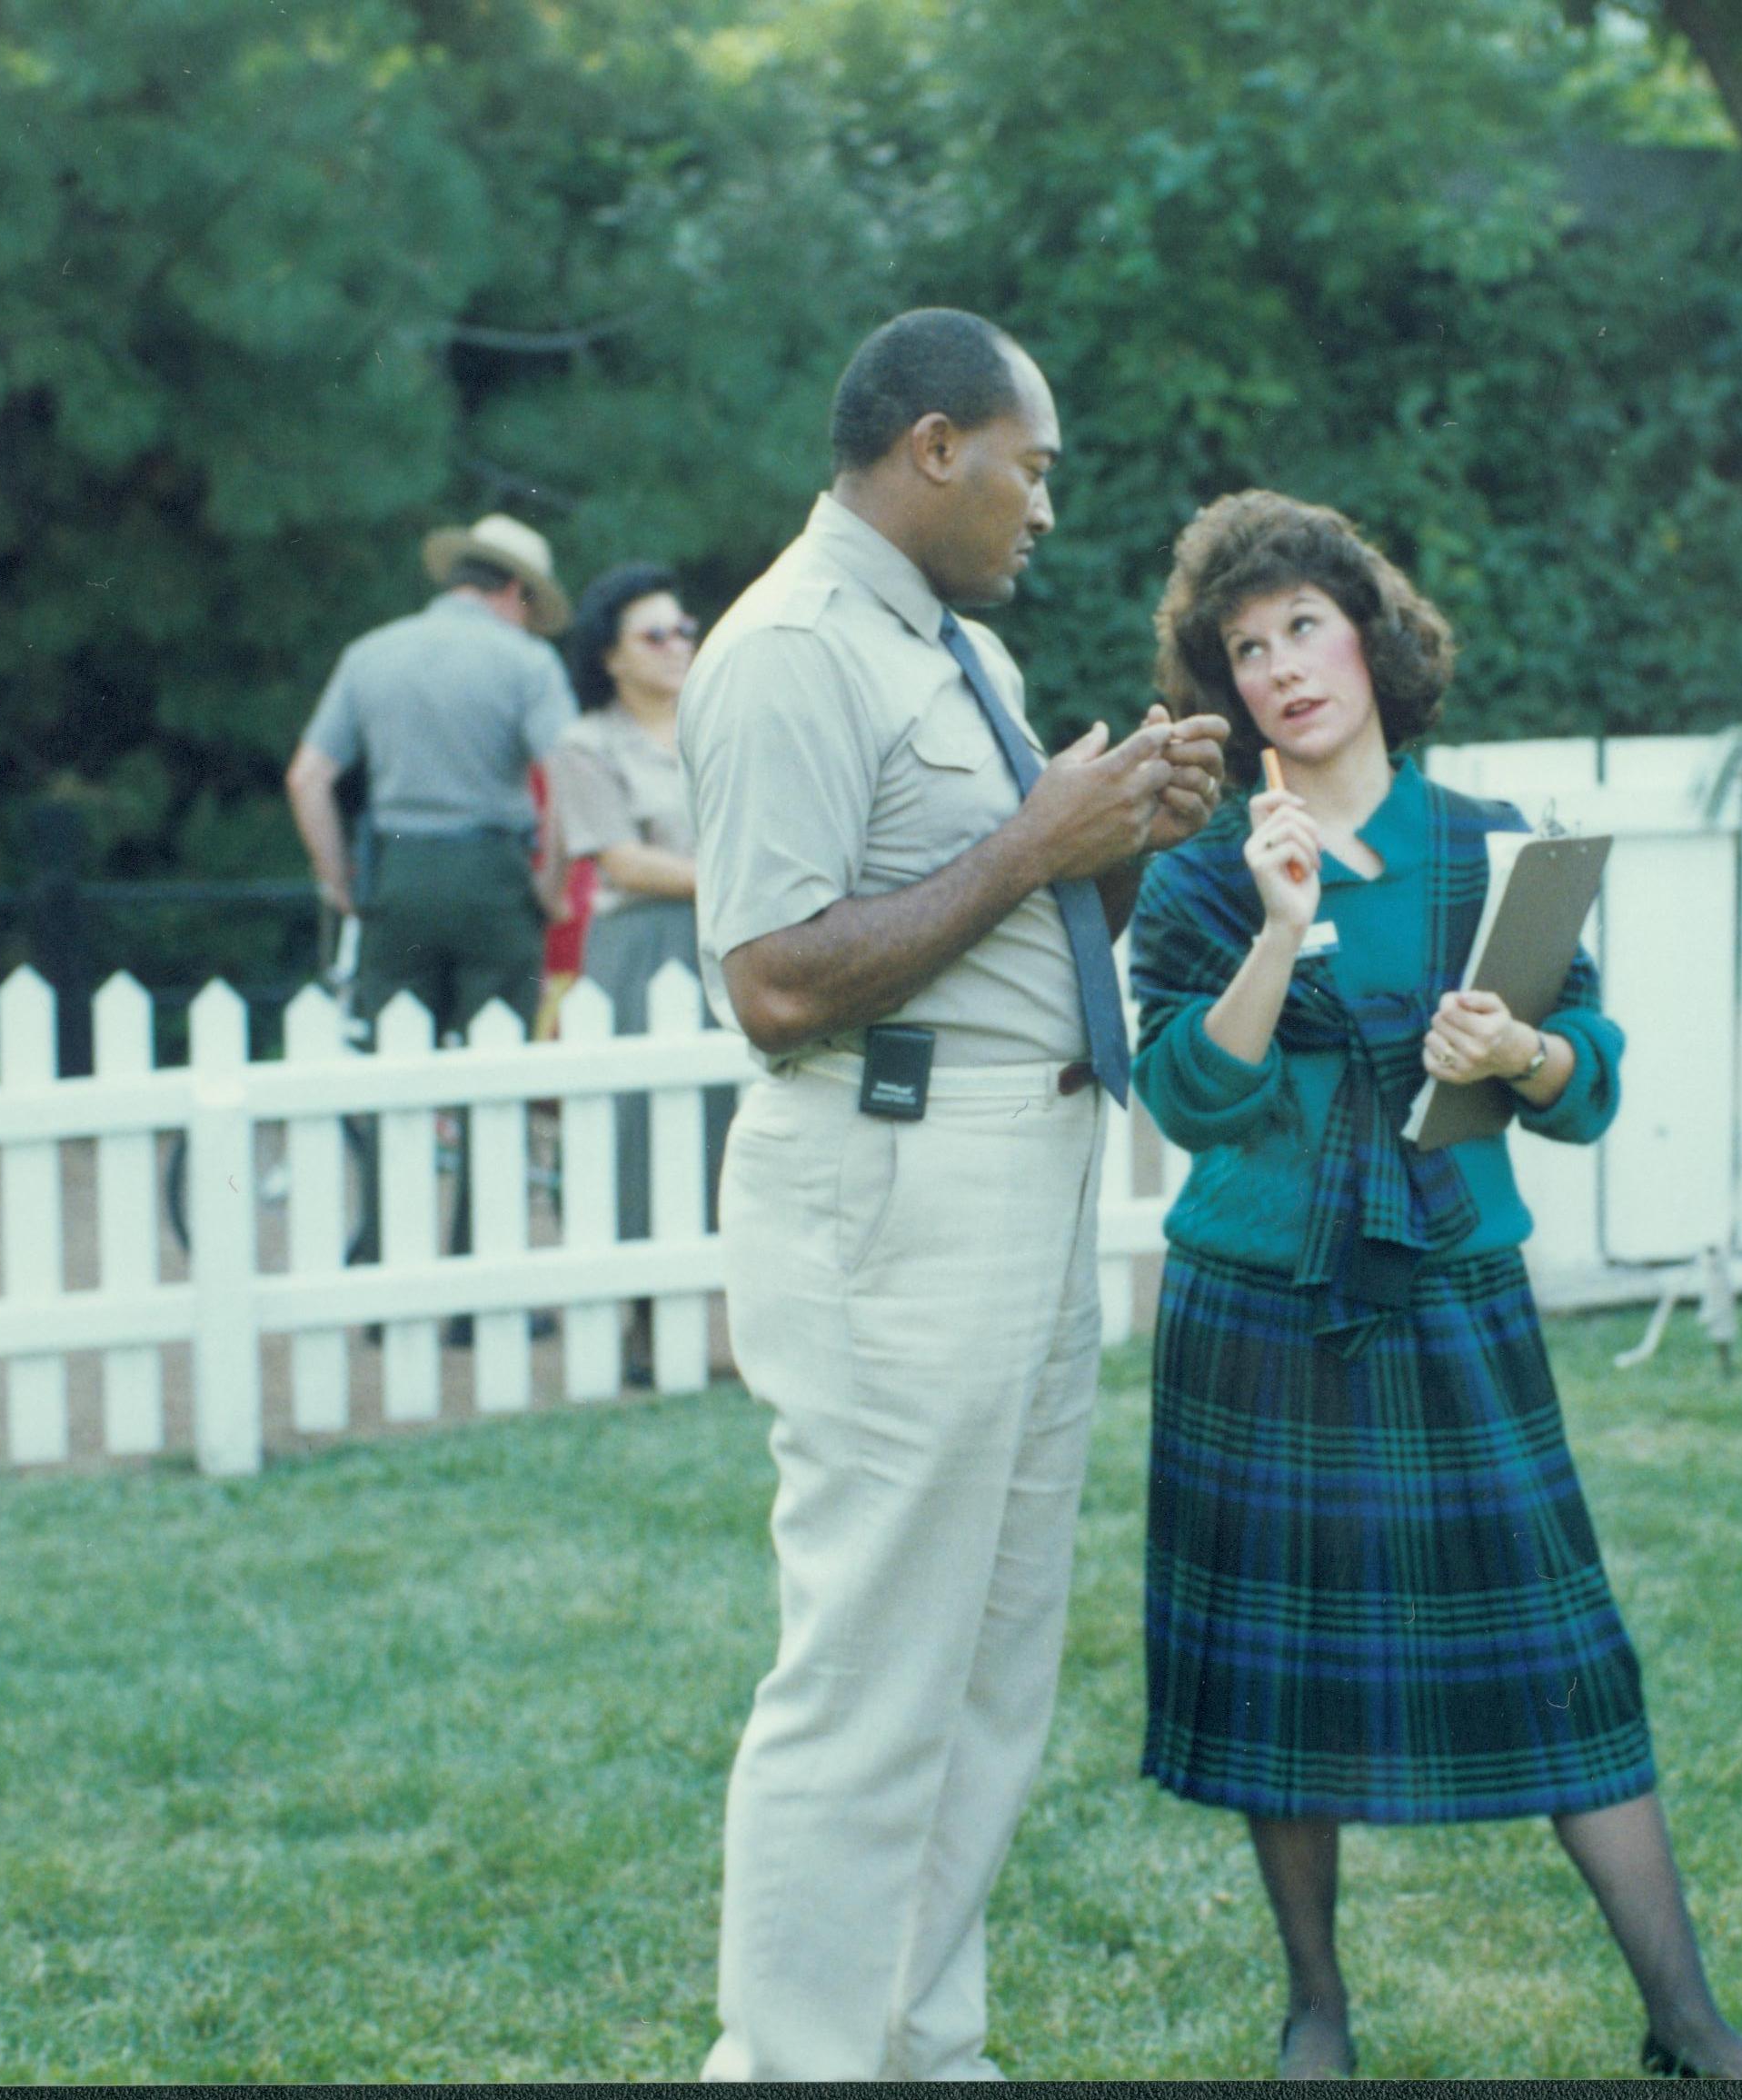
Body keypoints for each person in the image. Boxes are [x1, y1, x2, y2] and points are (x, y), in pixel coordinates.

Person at [1127, 491, 1742, 2082]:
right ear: (1225, 688)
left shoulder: (1500, 853)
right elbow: (1182, 1102)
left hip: (1452, 1300)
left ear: (1368, 637)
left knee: (1563, 1652)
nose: (1283, 665)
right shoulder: (1202, 883)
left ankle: (1686, 2020)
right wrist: (1279, 936)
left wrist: (1525, 1049)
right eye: (1247, 647)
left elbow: (1592, 1082)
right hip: (1259, 1307)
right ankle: (1317, 2011)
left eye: (1304, 626)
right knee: (1277, 1673)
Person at [680, 308, 1231, 2081]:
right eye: (1031, 466)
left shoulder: (939, 652)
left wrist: (1119, 834)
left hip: (1008, 1170)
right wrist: (1031, 843)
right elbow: (768, 985)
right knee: (871, 1675)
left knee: (988, 1667)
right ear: (934, 446)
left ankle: (922, 2045)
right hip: (889, 1189)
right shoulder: (789, 650)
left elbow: (1001, 926)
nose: (1044, 508)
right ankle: (797, 2064)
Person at [286, 511, 580, 1041]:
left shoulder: (369, 653)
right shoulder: (530, 663)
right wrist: (551, 885)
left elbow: (307, 778)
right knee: (498, 1063)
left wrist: (339, 881)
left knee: (396, 1059)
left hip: (398, 875)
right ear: (515, 590)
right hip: (496, 879)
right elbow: (570, 777)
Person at [548, 560, 737, 1309]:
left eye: (683, 628)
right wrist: (739, 881)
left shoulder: (723, 720)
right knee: (636, 1131)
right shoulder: (585, 743)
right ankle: (636, 1315)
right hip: (642, 947)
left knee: (728, 1118)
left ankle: (726, 1310)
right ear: (610, 655)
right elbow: (620, 858)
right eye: (652, 635)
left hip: (730, 941)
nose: (676, 644)